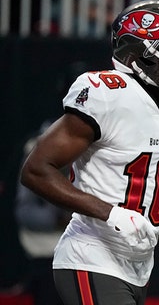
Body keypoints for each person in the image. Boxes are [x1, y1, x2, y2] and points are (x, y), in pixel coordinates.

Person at [19, 0, 159, 305]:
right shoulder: (107, 95)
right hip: (91, 254)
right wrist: (110, 213)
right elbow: (35, 170)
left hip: (140, 265)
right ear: (140, 57)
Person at [14, 120, 70, 305]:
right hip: (47, 254)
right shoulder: (36, 150)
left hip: (86, 254)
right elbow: (24, 211)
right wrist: (57, 219)